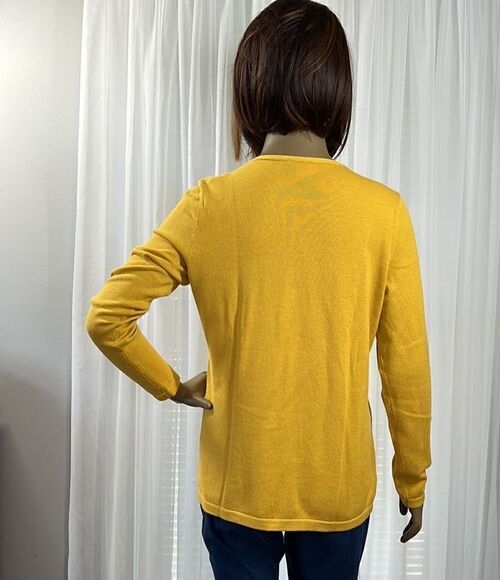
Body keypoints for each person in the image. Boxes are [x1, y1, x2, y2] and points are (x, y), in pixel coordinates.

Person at [85, 0, 432, 578]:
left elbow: (106, 317)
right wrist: (411, 478)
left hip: (237, 481)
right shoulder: (384, 213)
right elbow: (406, 367)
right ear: (337, 89)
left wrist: (171, 386)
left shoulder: (208, 205)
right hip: (335, 485)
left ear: (250, 85)